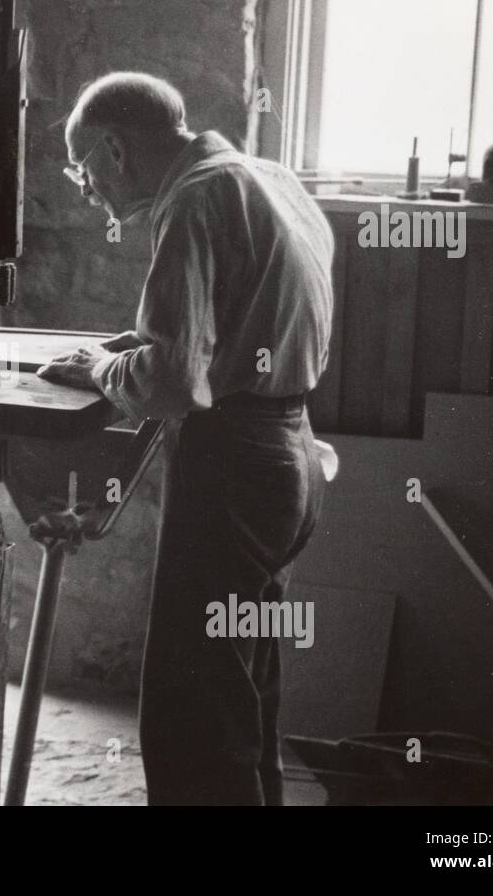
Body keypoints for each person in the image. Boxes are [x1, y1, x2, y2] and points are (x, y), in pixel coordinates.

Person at [37, 71, 334, 805]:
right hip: (291, 453)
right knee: (243, 694)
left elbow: (173, 381)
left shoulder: (194, 201)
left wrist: (104, 366)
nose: (86, 189)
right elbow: (228, 335)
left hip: (233, 465)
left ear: (113, 151)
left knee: (189, 711)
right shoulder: (267, 179)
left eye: (81, 170)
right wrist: (125, 356)